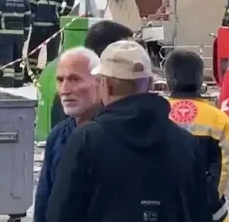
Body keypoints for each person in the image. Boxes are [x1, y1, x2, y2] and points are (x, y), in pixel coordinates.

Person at [46, 40, 214, 222]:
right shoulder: (186, 143)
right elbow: (201, 213)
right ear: (149, 83)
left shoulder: (86, 140)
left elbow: (60, 215)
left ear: (105, 85)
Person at [166, 49, 229, 222]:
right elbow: (223, 169)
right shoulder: (219, 119)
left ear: (168, 80)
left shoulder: (155, 113)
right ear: (200, 80)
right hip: (208, 211)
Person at [34, 46, 101, 222]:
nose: (65, 89)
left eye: (74, 79)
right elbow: (44, 202)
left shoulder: (112, 136)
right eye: (60, 80)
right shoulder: (58, 135)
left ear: (100, 82)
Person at [27, 0, 75, 77]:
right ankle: (48, 76)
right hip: (52, 27)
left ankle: (31, 75)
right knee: (52, 53)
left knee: (33, 52)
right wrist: (63, 14)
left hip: (37, 27)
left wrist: (34, 19)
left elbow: (31, 8)